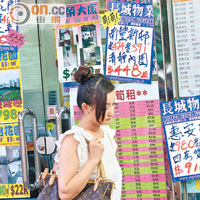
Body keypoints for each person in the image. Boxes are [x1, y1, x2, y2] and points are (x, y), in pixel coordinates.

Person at [54, 66, 122, 200]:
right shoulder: (73, 140)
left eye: (113, 104)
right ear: (86, 107)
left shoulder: (106, 134)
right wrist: (93, 160)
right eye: (105, 106)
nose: (111, 112)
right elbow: (65, 192)